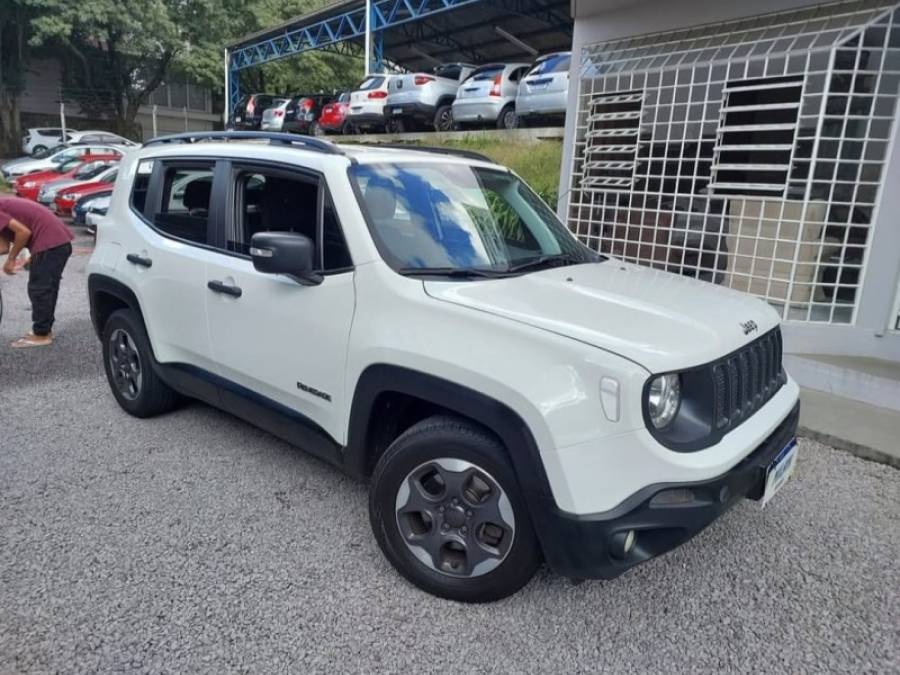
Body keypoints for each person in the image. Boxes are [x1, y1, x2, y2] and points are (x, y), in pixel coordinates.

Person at [0, 196, 74, 348]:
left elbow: (23, 232)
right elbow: (3, 247)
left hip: (50, 243)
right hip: (56, 242)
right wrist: (11, 256)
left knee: (40, 289)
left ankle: (41, 334)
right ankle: (44, 330)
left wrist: (12, 259)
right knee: (46, 288)